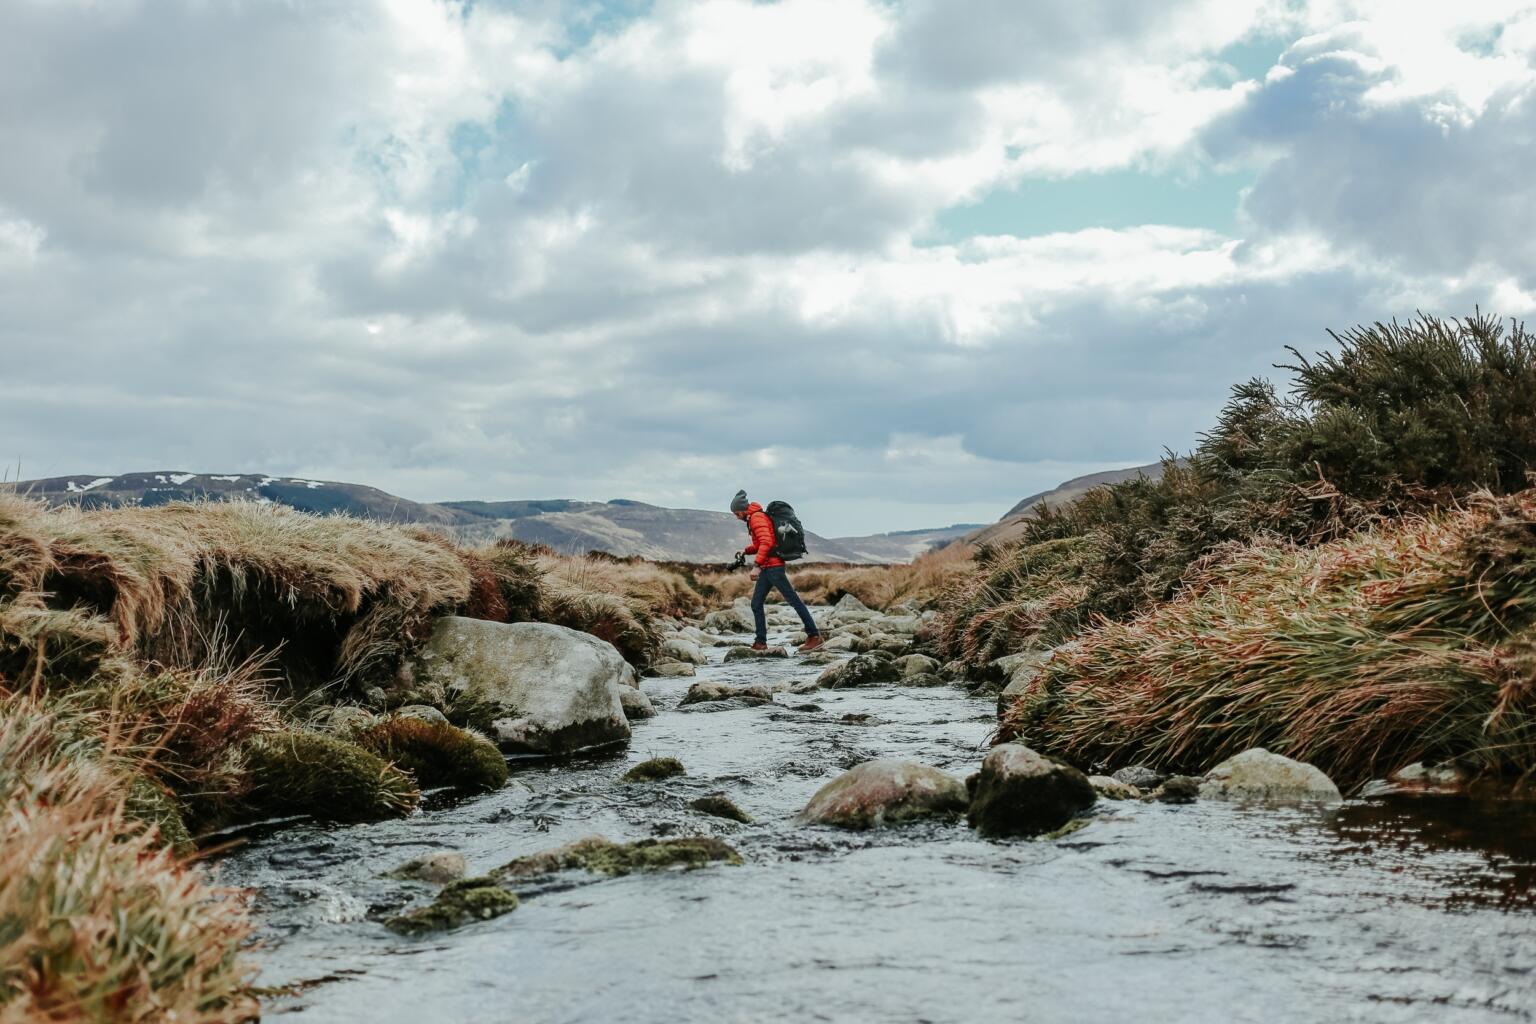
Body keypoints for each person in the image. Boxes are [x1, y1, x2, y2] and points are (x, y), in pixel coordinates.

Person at [731, 489, 823, 652]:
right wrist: (746, 550)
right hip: (768, 567)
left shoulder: (756, 518)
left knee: (794, 601)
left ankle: (814, 636)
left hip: (772, 567)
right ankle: (760, 642)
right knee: (756, 603)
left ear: (741, 510)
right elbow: (762, 544)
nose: (736, 517)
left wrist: (756, 566)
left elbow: (767, 542)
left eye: (736, 513)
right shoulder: (755, 517)